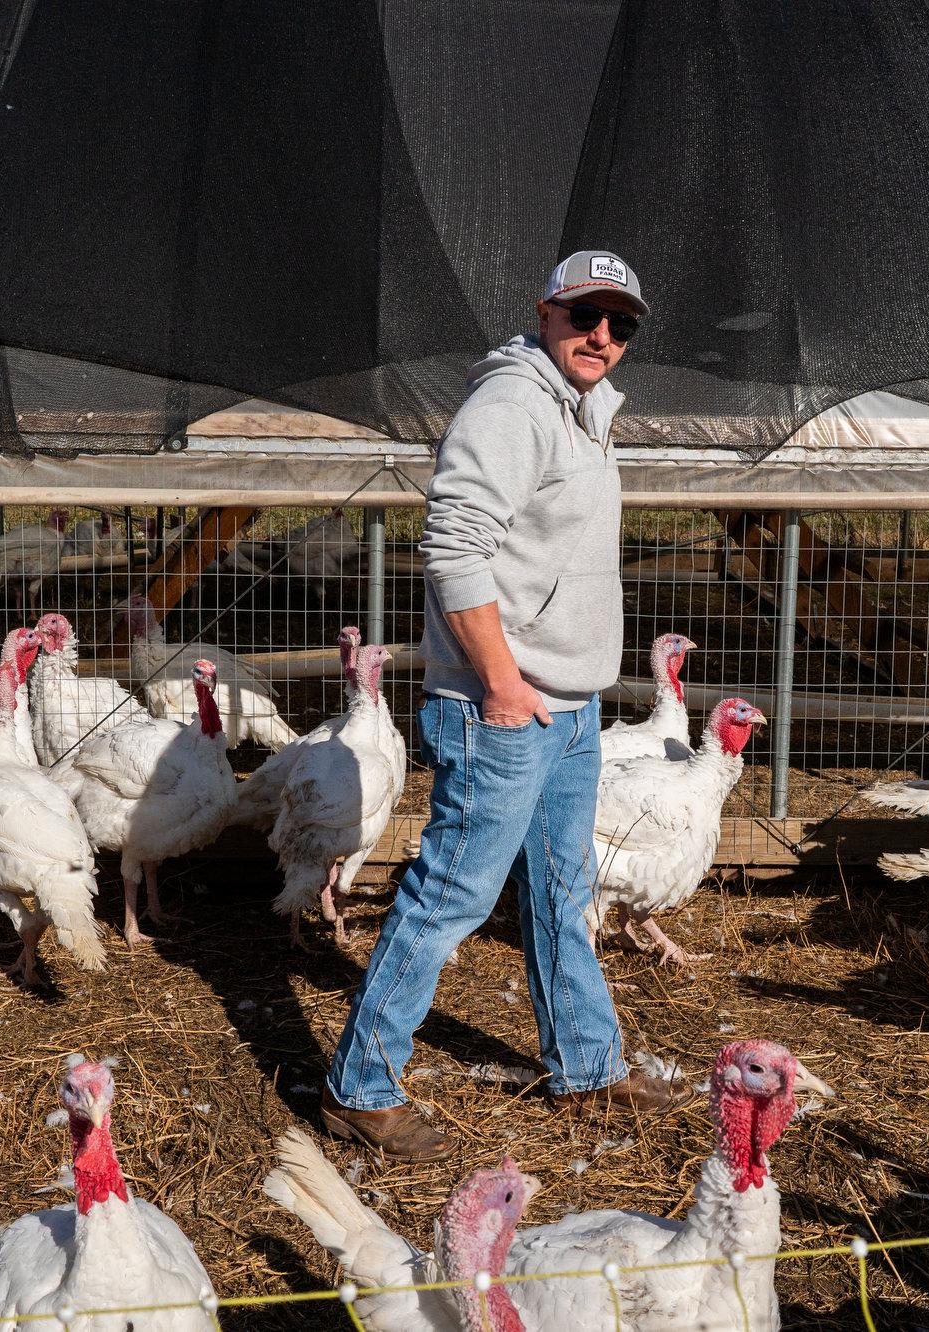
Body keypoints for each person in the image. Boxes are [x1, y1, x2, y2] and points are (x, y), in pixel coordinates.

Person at [320, 250, 689, 1160]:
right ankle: (359, 1087)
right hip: (506, 709)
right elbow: (453, 547)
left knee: (562, 893)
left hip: (568, 708)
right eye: (586, 316)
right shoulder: (514, 405)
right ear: (548, 311)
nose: (603, 336)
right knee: (450, 895)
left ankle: (587, 1068)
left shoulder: (585, 411)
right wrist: (500, 683)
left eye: (622, 323)